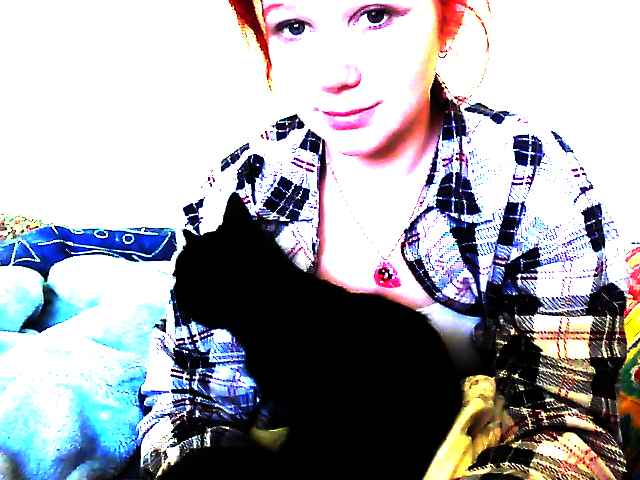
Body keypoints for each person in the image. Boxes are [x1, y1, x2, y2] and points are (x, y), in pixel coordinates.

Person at [136, 0, 629, 478]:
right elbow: (188, 402)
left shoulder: (529, 175)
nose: (334, 75)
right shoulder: (245, 184)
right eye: (294, 26)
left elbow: (568, 424)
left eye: (375, 16)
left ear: (449, 16)